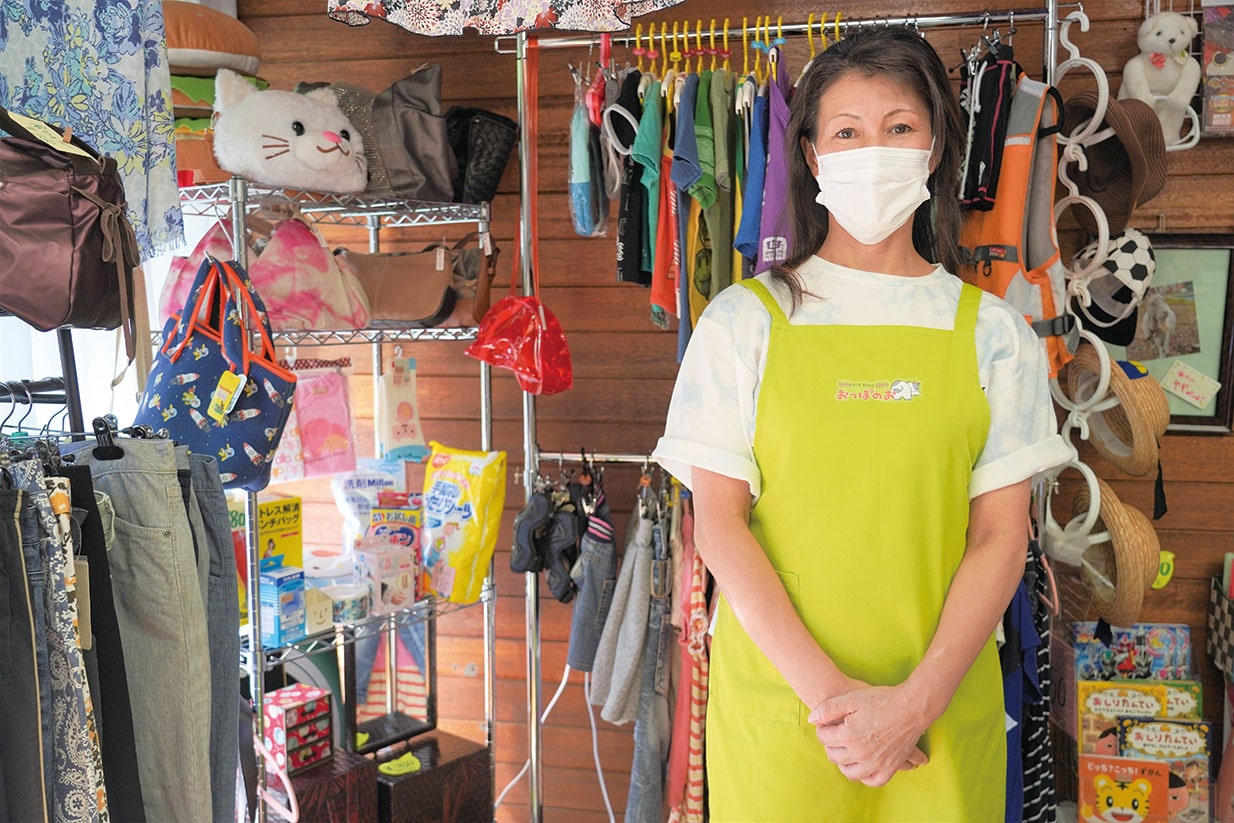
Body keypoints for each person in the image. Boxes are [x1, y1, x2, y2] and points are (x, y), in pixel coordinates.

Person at [653, 26, 1070, 821]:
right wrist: (842, 708)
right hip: (788, 719)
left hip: (939, 715)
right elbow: (719, 526)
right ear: (812, 157)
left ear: (938, 145)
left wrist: (912, 706)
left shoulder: (993, 333)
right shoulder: (744, 322)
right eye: (847, 130)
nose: (872, 148)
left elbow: (1000, 537)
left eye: (899, 127)